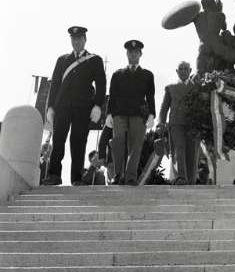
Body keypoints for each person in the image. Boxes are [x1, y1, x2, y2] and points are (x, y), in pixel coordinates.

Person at [43, 26, 106, 186]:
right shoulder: (62, 60)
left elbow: (101, 85)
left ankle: (77, 178)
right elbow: (55, 85)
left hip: (83, 108)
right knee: (58, 140)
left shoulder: (94, 60)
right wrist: (50, 107)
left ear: (85, 40)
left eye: (79, 39)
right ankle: (54, 175)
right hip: (62, 107)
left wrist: (97, 105)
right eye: (73, 39)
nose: (76, 42)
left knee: (78, 142)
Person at [106, 40, 155, 186]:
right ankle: (118, 175)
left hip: (138, 114)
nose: (133, 55)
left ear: (140, 54)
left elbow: (150, 96)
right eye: (130, 52)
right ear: (127, 54)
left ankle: (131, 177)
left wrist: (151, 115)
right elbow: (112, 96)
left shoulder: (147, 75)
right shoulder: (118, 74)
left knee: (136, 146)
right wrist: (109, 114)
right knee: (118, 141)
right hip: (119, 113)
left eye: (136, 52)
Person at [158, 61, 199, 185]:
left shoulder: (197, 87)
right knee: (179, 148)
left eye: (186, 68)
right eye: (181, 69)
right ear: (177, 71)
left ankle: (190, 180)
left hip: (192, 124)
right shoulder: (170, 88)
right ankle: (181, 177)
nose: (183, 71)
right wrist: (161, 122)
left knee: (192, 152)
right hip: (176, 123)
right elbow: (164, 108)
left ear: (190, 70)